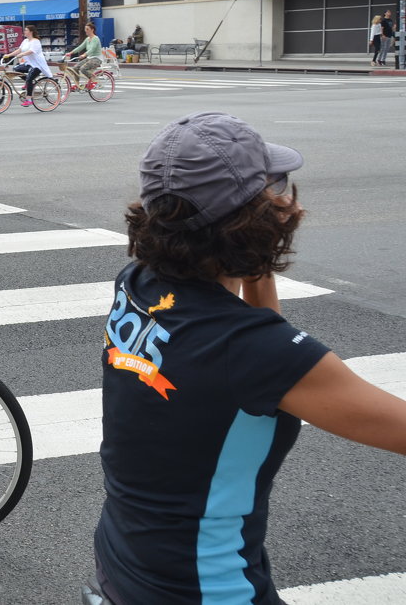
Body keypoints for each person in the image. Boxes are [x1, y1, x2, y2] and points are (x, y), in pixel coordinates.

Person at [88, 111, 406, 605]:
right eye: (272, 190)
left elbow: (255, 332)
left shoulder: (137, 285)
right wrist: (257, 251)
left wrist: (251, 260)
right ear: (254, 218)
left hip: (126, 564)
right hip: (205, 592)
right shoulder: (259, 355)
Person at [2, 25, 52, 108]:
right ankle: (29, 83)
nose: (24, 32)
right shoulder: (25, 41)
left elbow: (31, 51)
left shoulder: (36, 41)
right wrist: (8, 55)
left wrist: (22, 54)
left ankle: (29, 100)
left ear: (31, 32)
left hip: (37, 65)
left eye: (26, 30)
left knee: (29, 79)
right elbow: (19, 50)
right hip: (29, 63)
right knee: (16, 69)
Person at [62, 21, 104, 91]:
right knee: (75, 68)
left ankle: (94, 82)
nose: (86, 31)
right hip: (89, 58)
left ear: (92, 29)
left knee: (83, 68)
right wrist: (71, 53)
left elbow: (92, 49)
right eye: (85, 29)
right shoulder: (87, 39)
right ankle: (77, 84)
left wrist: (84, 54)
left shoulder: (96, 39)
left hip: (97, 58)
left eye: (87, 29)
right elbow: (80, 47)